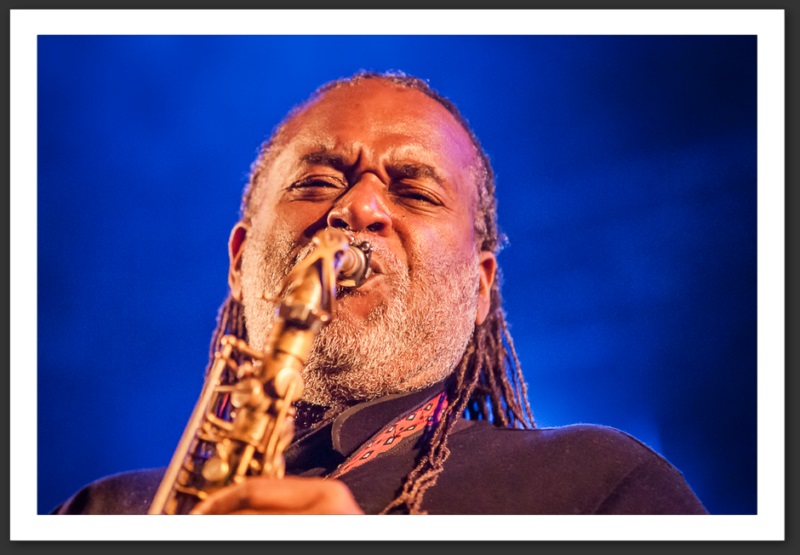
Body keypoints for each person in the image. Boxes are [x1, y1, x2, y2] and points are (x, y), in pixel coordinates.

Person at [52, 70, 708, 516]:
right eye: (315, 183)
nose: (359, 207)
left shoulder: (599, 487)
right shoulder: (104, 510)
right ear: (241, 256)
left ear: (480, 289)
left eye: (413, 191)